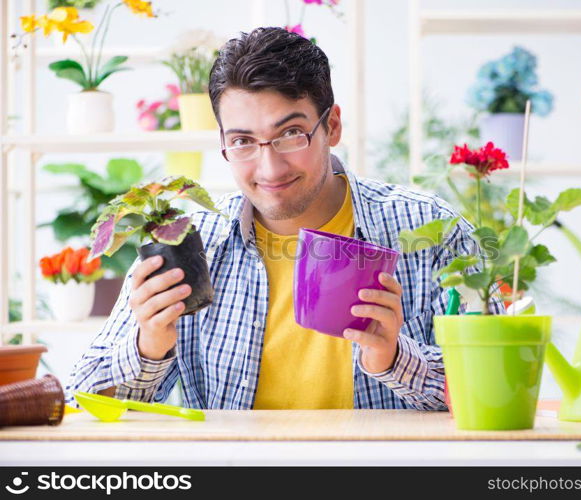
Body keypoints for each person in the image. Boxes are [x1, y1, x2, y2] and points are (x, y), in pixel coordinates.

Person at [66, 26, 503, 411]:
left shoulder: (430, 231)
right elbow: (79, 402)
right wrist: (149, 347)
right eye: (242, 141)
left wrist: (394, 359)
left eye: (291, 134)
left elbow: (497, 389)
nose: (269, 169)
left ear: (331, 126)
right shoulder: (188, 242)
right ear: (221, 141)